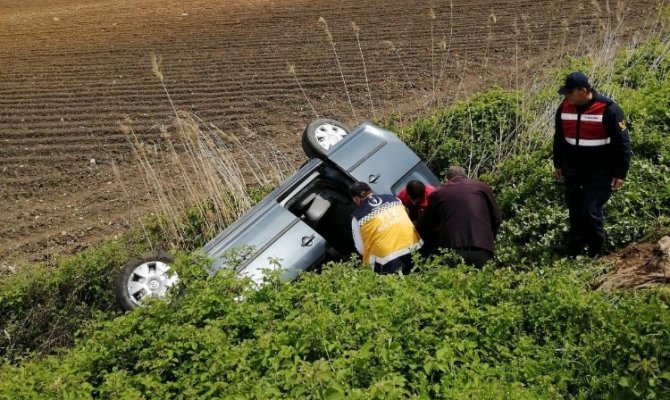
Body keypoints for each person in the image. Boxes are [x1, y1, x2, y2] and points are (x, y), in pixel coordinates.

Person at [553, 72, 632, 257]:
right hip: (573, 170)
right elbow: (559, 138)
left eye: (569, 92)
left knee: (591, 211)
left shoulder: (609, 109)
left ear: (583, 91)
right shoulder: (564, 108)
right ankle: (575, 249)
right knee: (575, 211)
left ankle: (597, 251)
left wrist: (620, 173)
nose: (566, 97)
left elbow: (623, 144)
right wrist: (558, 163)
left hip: (600, 172)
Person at [416, 166, 502, 267]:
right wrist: (489, 240)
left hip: (453, 249)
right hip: (482, 248)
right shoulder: (482, 187)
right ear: (466, 176)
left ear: (446, 179)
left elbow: (424, 225)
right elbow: (497, 218)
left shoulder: (439, 193)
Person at [349, 182, 423, 274]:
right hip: (415, 248)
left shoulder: (357, 218)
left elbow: (361, 249)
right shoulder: (394, 199)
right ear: (370, 190)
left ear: (356, 199)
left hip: (388, 261)